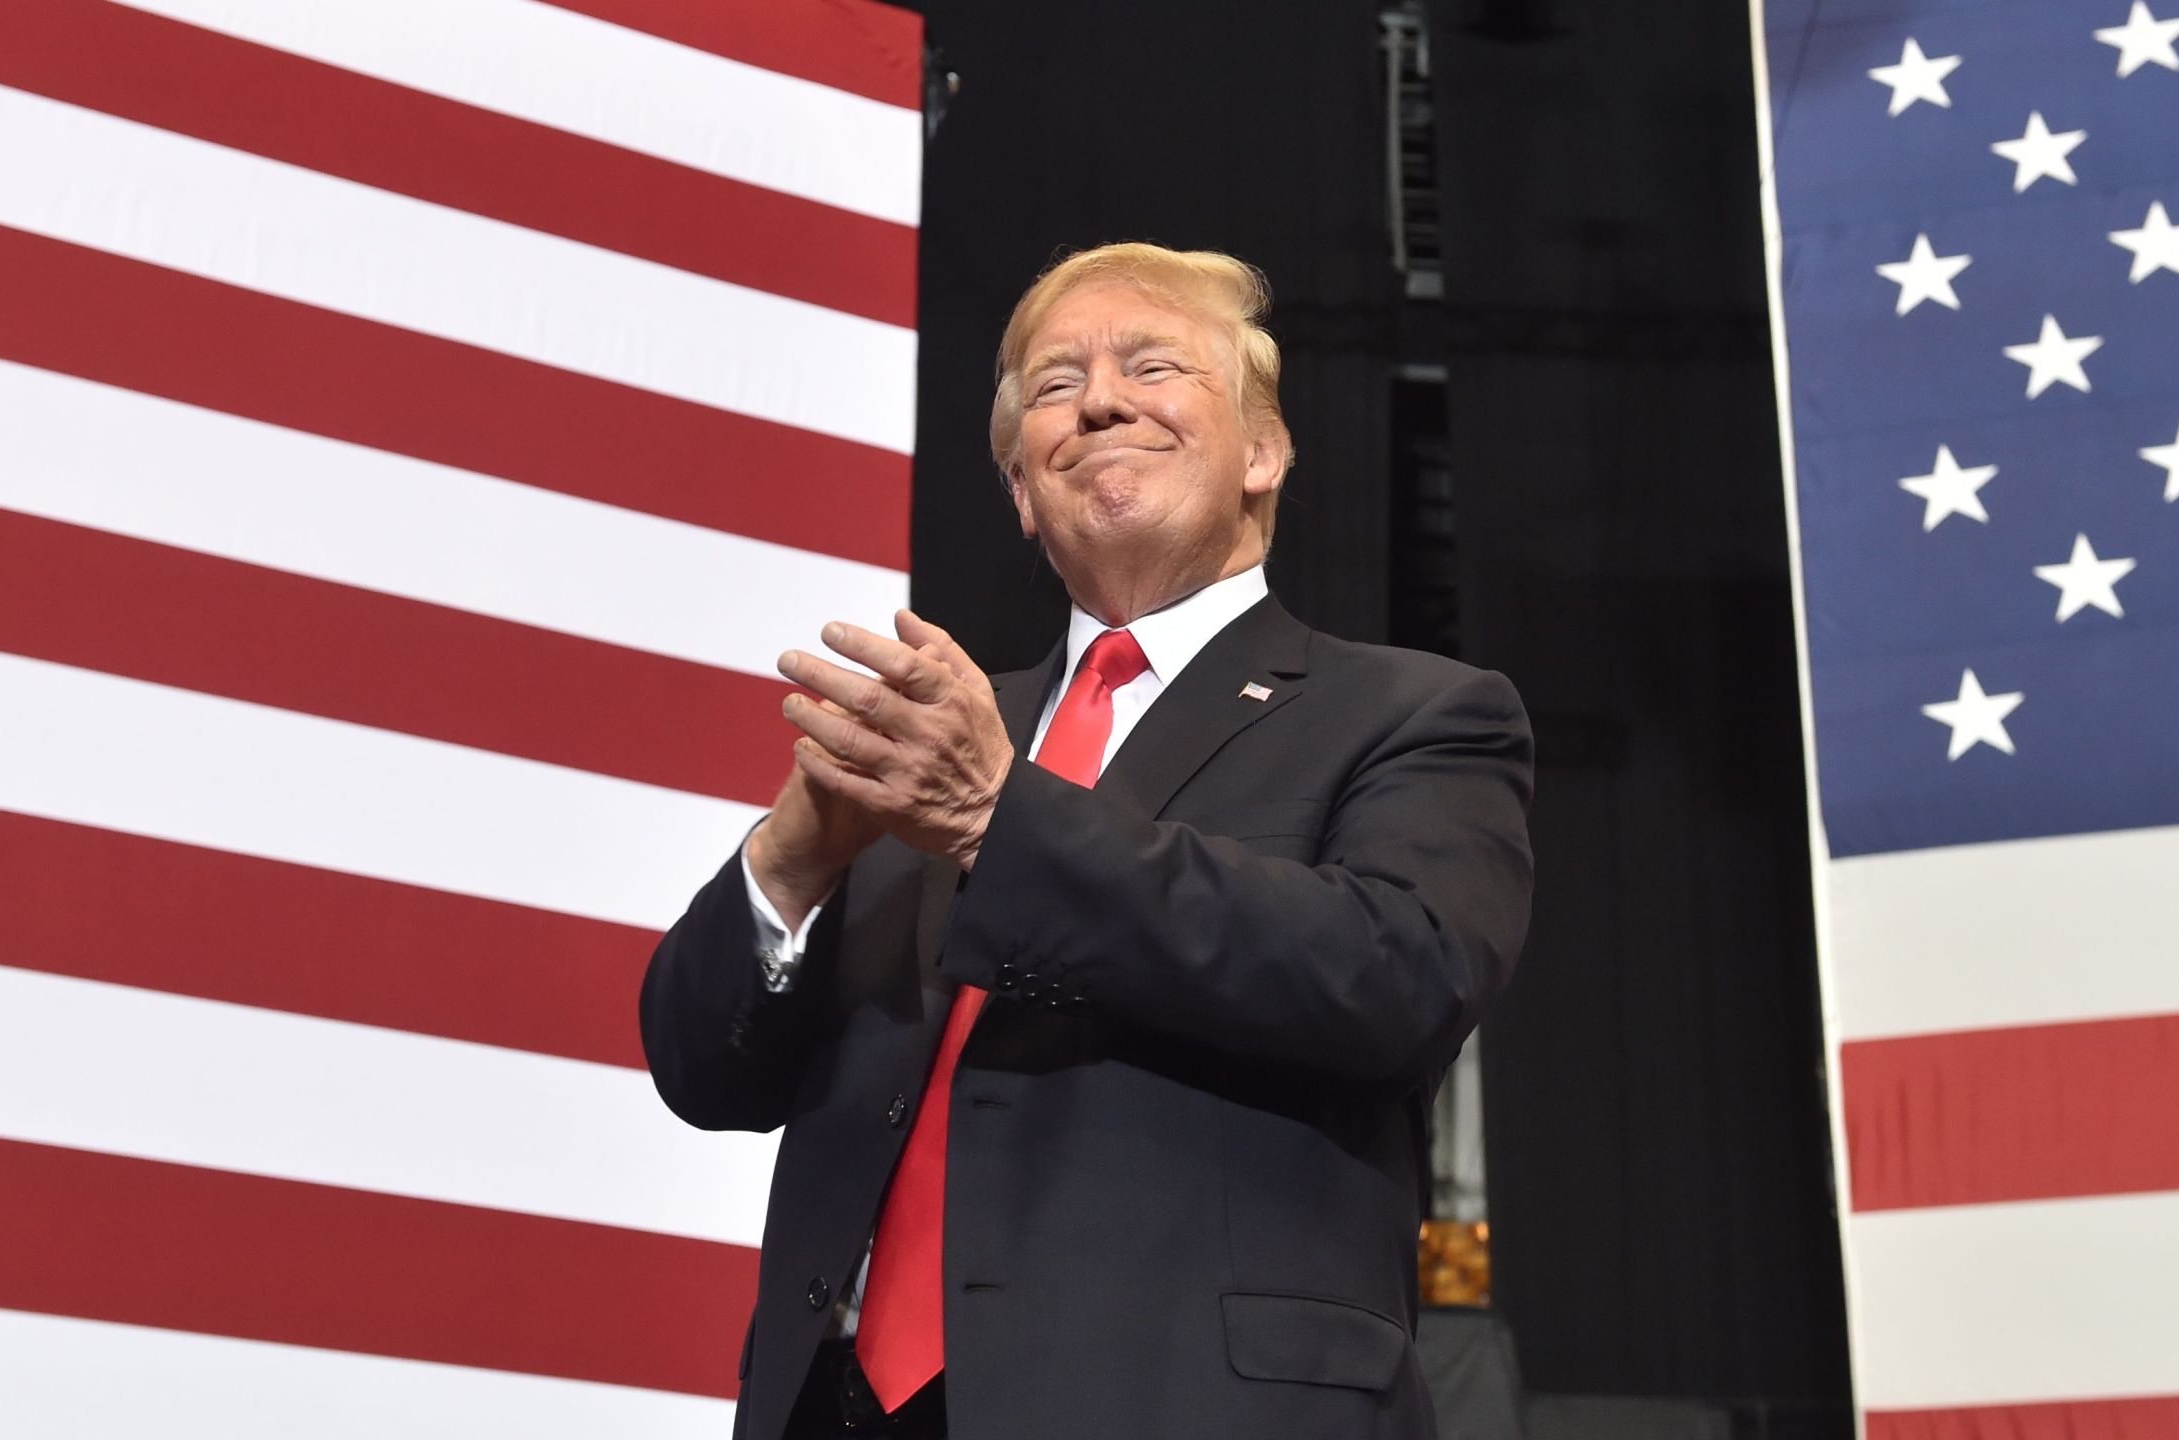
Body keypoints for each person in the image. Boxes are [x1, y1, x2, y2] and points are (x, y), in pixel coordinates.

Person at [642, 242, 1534, 1440]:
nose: (1100, 398)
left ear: (1262, 454)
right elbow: (706, 1076)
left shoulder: (1414, 713)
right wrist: (789, 864)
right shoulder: (938, 738)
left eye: (1153, 365)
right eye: (1054, 386)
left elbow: (1399, 981)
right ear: (1021, 487)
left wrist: (994, 823)